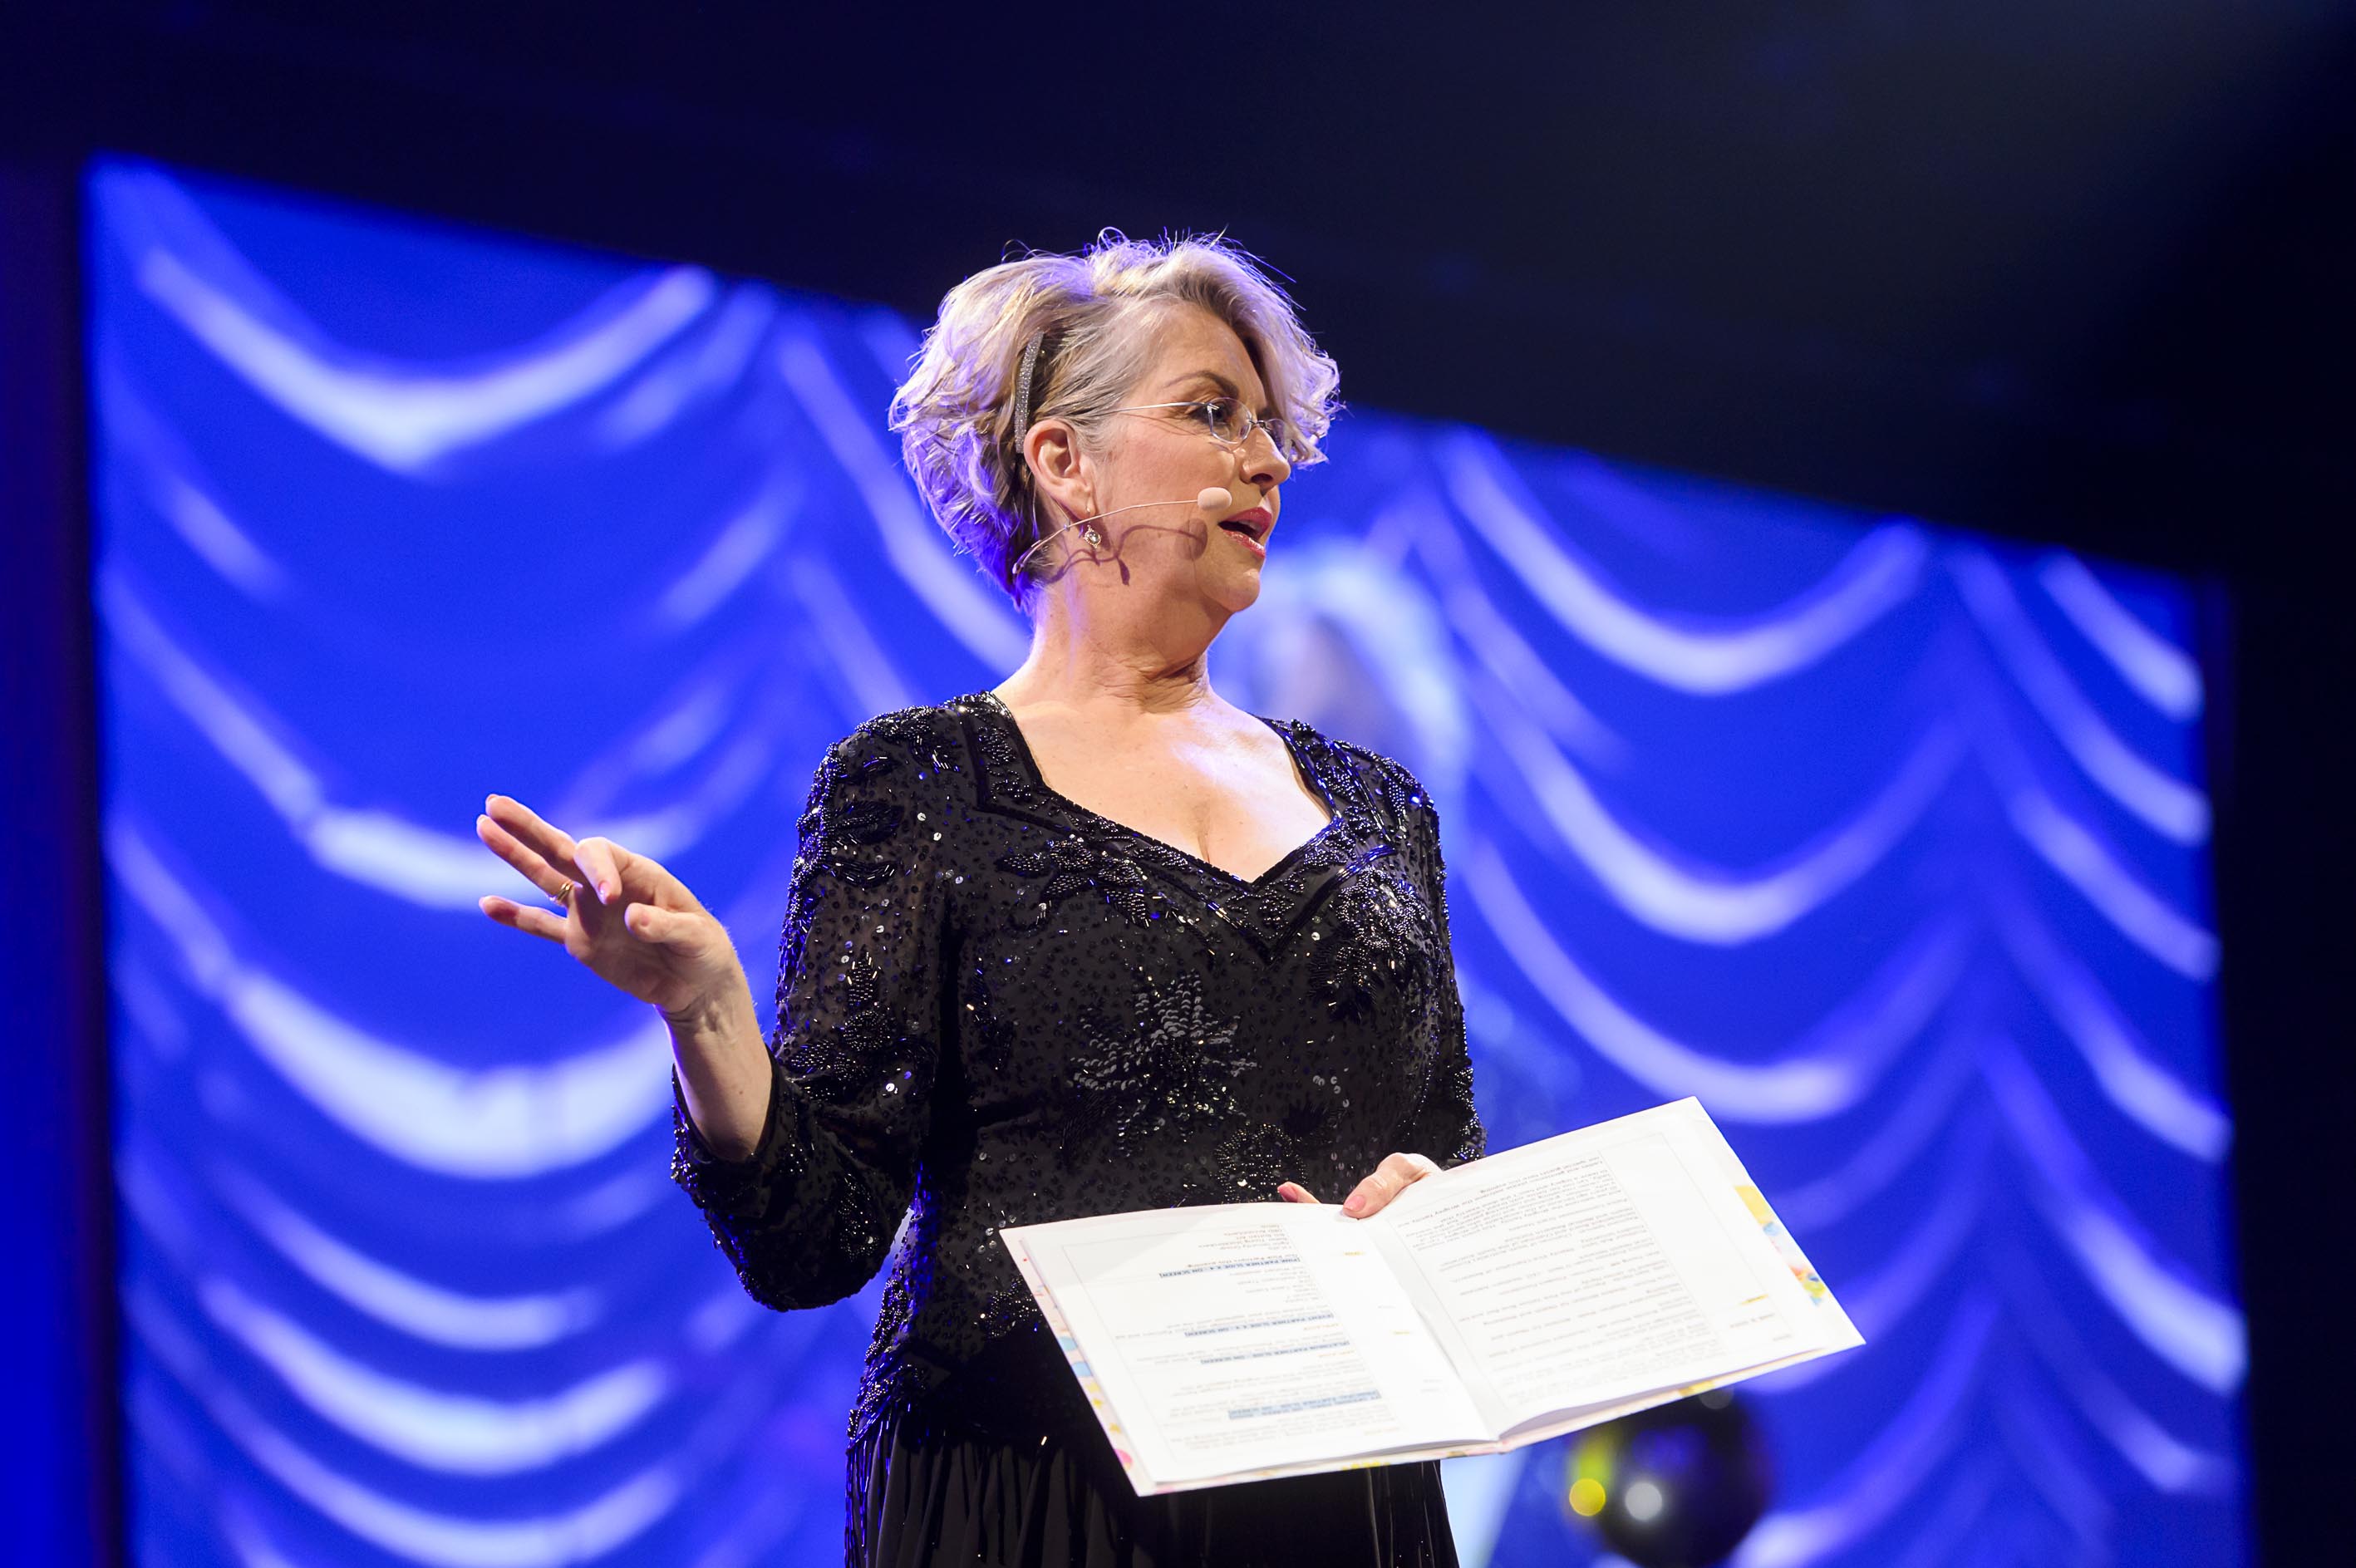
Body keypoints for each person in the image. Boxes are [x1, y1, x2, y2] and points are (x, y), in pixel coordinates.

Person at [474, 233, 1483, 1567]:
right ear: (1064, 461)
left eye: (1270, 426)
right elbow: (817, 1238)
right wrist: (705, 1007)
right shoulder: (920, 786)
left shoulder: (1378, 812)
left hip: (1334, 1505)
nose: (1267, 460)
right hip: (1025, 1502)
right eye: (1211, 413)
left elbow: (1447, 1153)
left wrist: (1432, 1211)